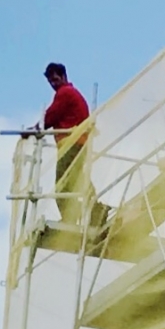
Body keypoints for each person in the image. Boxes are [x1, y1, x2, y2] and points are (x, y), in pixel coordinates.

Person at [37, 64, 98, 247]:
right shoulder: (73, 94)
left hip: (71, 145)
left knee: (62, 187)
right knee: (79, 181)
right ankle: (97, 211)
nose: (53, 84)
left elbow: (50, 117)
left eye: (55, 79)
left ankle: (73, 217)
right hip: (80, 145)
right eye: (50, 81)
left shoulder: (65, 93)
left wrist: (35, 129)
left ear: (63, 76)